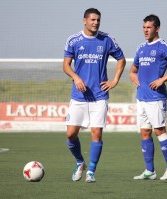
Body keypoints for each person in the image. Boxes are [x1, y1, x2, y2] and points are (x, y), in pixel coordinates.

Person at [63, 8, 126, 183]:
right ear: (84, 20)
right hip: (79, 96)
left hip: (99, 95)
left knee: (96, 133)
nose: (96, 23)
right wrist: (75, 77)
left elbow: (121, 59)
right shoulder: (73, 40)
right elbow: (66, 65)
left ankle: (91, 171)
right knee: (70, 135)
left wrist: (114, 80)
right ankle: (79, 162)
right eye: (92, 20)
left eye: (98, 20)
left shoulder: (107, 40)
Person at [129, 14, 167, 180]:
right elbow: (133, 69)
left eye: (149, 27)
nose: (146, 30)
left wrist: (162, 79)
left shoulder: (163, 46)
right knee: (145, 133)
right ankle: (150, 171)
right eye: (144, 27)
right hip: (142, 97)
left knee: (159, 131)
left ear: (157, 28)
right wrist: (132, 75)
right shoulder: (140, 47)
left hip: (156, 97)